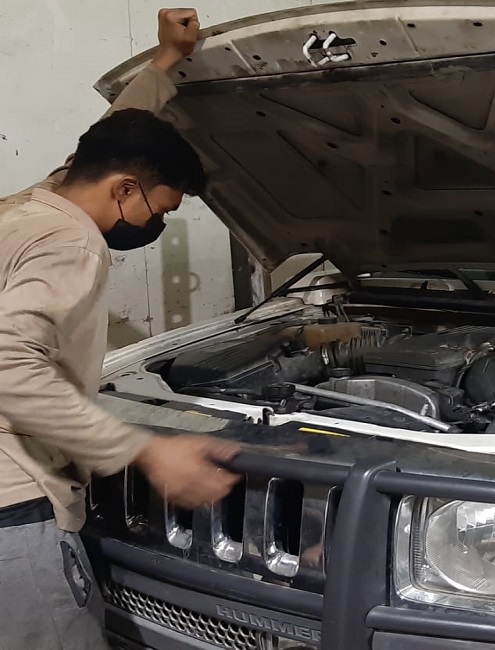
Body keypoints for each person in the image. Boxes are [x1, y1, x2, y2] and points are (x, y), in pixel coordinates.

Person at [0, 9, 241, 650]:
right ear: (127, 188)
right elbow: (7, 363)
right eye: (161, 209)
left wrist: (166, 60)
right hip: (15, 514)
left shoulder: (32, 205)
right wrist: (145, 450)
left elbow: (110, 138)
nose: (156, 224)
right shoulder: (69, 242)